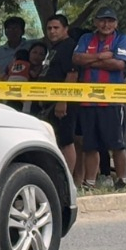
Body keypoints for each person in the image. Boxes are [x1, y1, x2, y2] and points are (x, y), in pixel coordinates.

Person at [72, 7, 126, 191]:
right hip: (88, 100)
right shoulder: (86, 38)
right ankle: (90, 182)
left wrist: (90, 60)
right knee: (90, 144)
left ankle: (122, 180)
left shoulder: (122, 39)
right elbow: (76, 59)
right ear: (96, 22)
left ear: (116, 23)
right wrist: (100, 56)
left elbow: (119, 64)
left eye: (110, 21)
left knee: (116, 144)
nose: (106, 25)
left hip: (112, 100)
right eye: (102, 20)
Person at [35, 15, 79, 172]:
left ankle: (67, 179)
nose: (52, 31)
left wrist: (62, 101)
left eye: (56, 28)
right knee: (55, 140)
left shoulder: (69, 46)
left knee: (66, 141)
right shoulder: (54, 48)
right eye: (49, 28)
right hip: (48, 102)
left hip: (61, 102)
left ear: (65, 29)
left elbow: (72, 74)